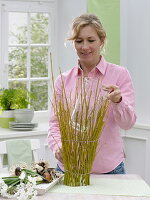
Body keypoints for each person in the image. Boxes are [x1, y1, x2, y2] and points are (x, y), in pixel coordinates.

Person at [48, 13, 136, 174]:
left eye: (91, 40)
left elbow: (127, 124)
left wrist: (119, 101)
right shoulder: (62, 80)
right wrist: (57, 146)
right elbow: (55, 124)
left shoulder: (120, 75)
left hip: (108, 168)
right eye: (79, 41)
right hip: (69, 168)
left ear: (102, 41)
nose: (84, 47)